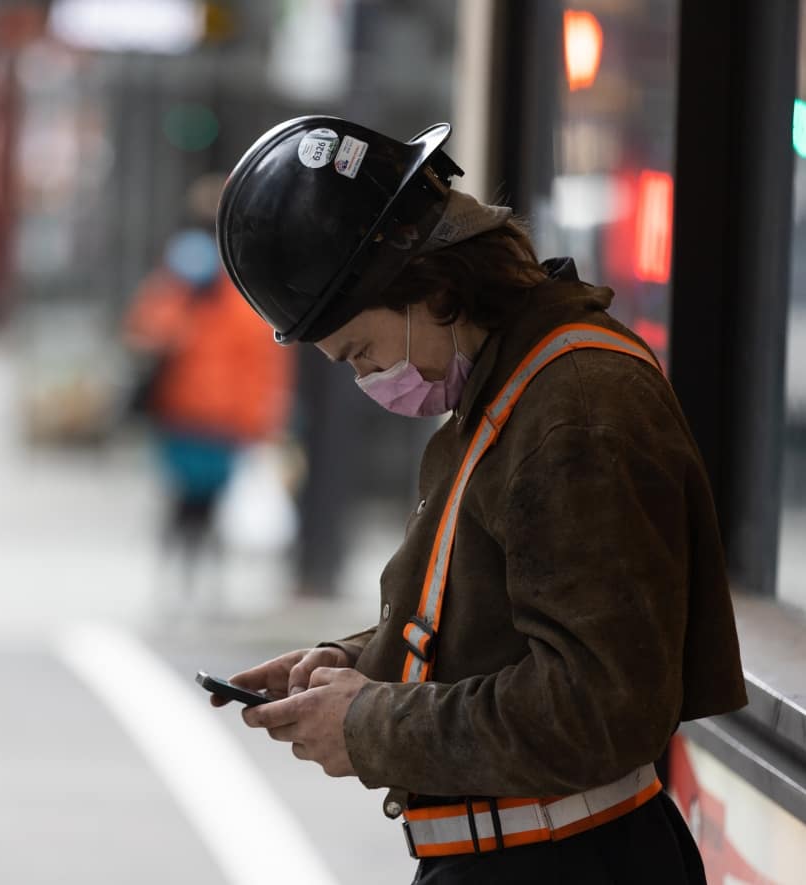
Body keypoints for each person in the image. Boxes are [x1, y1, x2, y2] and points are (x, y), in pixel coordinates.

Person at [210, 116, 746, 883]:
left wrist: (368, 722)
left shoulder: (575, 409)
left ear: (431, 289)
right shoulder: (518, 387)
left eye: (361, 351)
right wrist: (361, 658)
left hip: (563, 864)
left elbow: (596, 703)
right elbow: (505, 617)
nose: (367, 380)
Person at [124, 174, 294, 603]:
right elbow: (145, 336)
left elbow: (262, 366)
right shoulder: (179, 287)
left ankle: (200, 587)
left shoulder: (241, 296)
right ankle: (180, 584)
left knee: (214, 508)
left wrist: (261, 424)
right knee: (187, 504)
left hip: (221, 423)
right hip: (186, 418)